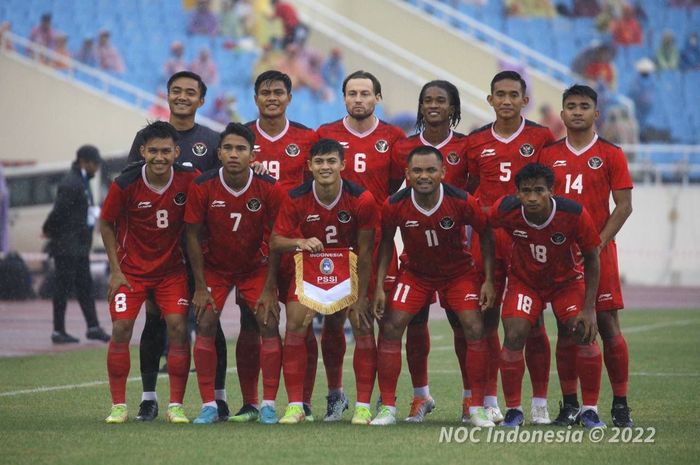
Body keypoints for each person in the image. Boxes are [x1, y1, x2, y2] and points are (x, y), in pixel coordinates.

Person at [370, 146, 496, 427]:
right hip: (416, 273)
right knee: (391, 326)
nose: (423, 176)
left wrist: (488, 278)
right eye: (417, 170)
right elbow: (386, 243)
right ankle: (388, 407)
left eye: (430, 170)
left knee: (474, 327)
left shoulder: (462, 201)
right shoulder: (394, 204)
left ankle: (475, 407)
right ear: (407, 174)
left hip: (458, 273)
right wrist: (379, 285)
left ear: (443, 172)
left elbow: (486, 233)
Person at [126, 71, 226, 423]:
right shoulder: (146, 136)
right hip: (159, 251)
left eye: (190, 92)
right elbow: (131, 190)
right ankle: (149, 397)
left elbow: (222, 191)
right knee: (155, 321)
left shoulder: (212, 141)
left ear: (201, 100)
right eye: (176, 91)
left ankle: (218, 398)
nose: (182, 97)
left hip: (202, 250)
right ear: (167, 96)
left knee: (207, 321)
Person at [228, 70, 320, 424]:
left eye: (278, 92)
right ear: (255, 98)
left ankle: (303, 403)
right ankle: (251, 403)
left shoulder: (306, 138)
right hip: (254, 252)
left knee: (302, 325)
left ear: (289, 98)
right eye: (265, 92)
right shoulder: (241, 139)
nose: (272, 98)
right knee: (252, 325)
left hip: (296, 248)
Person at [540, 84, 634, 427]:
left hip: (599, 254)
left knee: (607, 326)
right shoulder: (548, 155)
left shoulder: (611, 153)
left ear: (596, 113)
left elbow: (624, 207)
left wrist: (596, 243)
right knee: (567, 329)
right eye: (571, 106)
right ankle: (570, 404)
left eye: (584, 106)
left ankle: (620, 404)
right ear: (562, 114)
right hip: (560, 258)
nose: (577, 111)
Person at [266, 138, 378, 425]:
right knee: (295, 323)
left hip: (349, 267)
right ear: (309, 166)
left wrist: (361, 296)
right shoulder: (295, 197)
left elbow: (366, 251)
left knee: (360, 324)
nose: (325, 167)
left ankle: (362, 405)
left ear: (342, 164)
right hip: (311, 269)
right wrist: (300, 241)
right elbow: (276, 241)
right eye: (319, 162)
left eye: (331, 161)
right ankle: (295, 406)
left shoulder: (362, 198)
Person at [465, 70, 556, 425]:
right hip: (486, 243)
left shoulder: (541, 138)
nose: (506, 100)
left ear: (524, 100)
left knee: (532, 323)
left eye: (513, 94)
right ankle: (489, 401)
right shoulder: (475, 142)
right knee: (485, 320)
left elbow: (551, 187)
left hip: (527, 242)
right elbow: (470, 188)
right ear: (490, 100)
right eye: (499, 95)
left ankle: (539, 403)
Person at [316, 70, 405, 421]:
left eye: (365, 94)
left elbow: (396, 183)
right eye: (352, 93)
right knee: (334, 320)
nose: (358, 99)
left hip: (379, 244)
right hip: (335, 245)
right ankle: (336, 396)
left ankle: (384, 401)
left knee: (382, 320)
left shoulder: (393, 137)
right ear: (344, 97)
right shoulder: (326, 135)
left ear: (377, 98)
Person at [489, 163, 604, 428]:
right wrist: (490, 275)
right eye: (526, 191)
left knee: (583, 333)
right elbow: (485, 230)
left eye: (539, 190)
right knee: (515, 333)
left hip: (565, 283)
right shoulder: (506, 209)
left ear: (551, 190)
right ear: (517, 192)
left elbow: (592, 257)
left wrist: (589, 308)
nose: (532, 197)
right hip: (525, 282)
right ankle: (514, 411)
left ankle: (589, 410)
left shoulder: (573, 213)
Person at [100, 121, 198, 424]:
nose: (159, 157)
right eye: (153, 150)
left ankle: (176, 405)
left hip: (171, 272)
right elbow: (105, 223)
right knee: (121, 330)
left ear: (176, 152)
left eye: (165, 151)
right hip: (131, 272)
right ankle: (118, 405)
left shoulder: (189, 179)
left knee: (178, 328)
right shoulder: (125, 183)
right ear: (142, 151)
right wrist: (115, 271)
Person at [185, 122, 283, 424]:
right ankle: (209, 406)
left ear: (253, 155)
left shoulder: (269, 187)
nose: (233, 154)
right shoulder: (203, 185)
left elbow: (278, 237)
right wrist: (200, 286)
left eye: (240, 148)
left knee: (267, 323)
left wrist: (270, 287)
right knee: (205, 322)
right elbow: (191, 234)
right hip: (215, 268)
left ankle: (266, 404)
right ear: (219, 152)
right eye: (227, 148)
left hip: (255, 268)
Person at [391, 80, 472, 423]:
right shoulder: (402, 147)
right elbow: (390, 197)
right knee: (414, 323)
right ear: (420, 106)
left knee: (463, 325)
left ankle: (471, 400)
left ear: (453, 108)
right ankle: (420, 396)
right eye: (428, 100)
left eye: (441, 100)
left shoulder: (468, 147)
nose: (434, 105)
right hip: (417, 255)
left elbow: (476, 198)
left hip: (457, 255)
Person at [42, 145, 111, 344]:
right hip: (67, 246)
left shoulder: (81, 180)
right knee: (63, 288)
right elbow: (59, 211)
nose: (97, 168)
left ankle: (92, 327)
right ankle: (58, 330)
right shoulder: (71, 182)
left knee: (84, 285)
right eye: (94, 164)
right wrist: (48, 229)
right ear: (84, 161)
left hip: (78, 245)